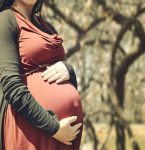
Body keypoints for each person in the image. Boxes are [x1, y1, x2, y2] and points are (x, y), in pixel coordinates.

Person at [0, 0, 84, 150]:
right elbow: (11, 85)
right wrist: (54, 128)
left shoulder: (46, 27)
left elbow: (58, 71)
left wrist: (68, 70)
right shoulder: (6, 20)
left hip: (63, 134)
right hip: (32, 128)